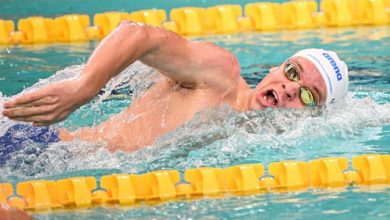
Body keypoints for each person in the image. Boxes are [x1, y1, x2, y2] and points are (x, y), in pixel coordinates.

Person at [0, 21, 349, 162]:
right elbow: (138, 34)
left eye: (307, 96)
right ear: (275, 67)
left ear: (314, 118)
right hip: (33, 148)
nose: (289, 88)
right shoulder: (221, 75)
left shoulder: (248, 142)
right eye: (292, 72)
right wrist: (84, 88)